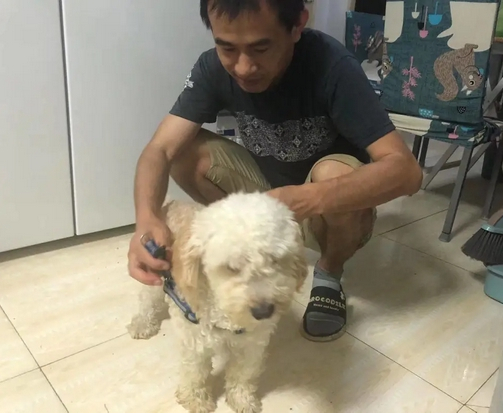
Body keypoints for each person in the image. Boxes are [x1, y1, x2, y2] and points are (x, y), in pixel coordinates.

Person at [127, 0, 422, 342]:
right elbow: (160, 149)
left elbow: (407, 172)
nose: (243, 67)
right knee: (183, 153)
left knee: (332, 172)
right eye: (227, 48)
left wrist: (302, 199)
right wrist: (146, 219)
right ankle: (241, 258)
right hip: (268, 192)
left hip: (329, 207)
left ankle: (329, 272)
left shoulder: (333, 66)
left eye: (261, 48)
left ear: (297, 25)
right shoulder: (212, 68)